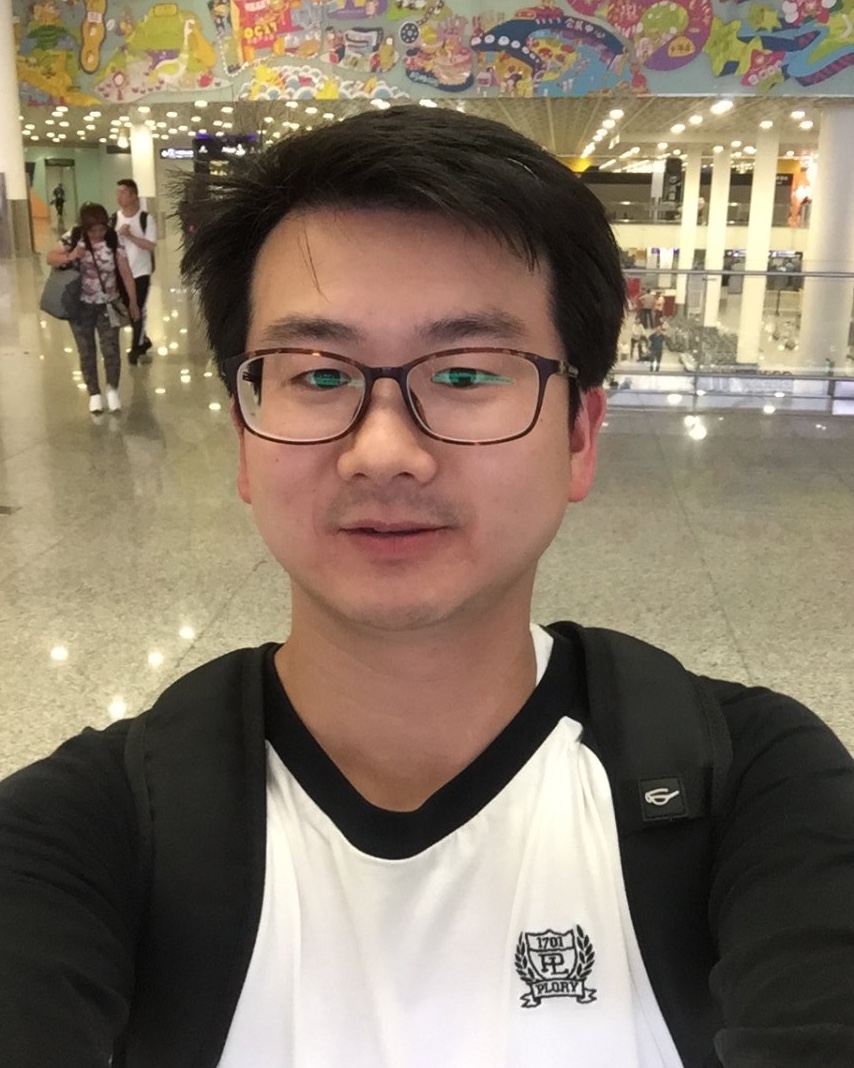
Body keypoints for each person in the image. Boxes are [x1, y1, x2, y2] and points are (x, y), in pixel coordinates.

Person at [3, 108, 854, 1067]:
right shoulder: (90, 830)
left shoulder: (751, 788)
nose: (383, 451)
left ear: (580, 434)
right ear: (244, 436)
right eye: (317, 375)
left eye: (466, 373)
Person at [46, 202, 139, 414]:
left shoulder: (113, 239)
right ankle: (94, 394)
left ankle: (112, 390)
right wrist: (71, 256)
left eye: (101, 229)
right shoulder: (73, 237)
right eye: (93, 231)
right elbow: (51, 257)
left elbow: (126, 273)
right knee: (86, 351)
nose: (98, 234)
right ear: (85, 228)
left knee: (111, 350)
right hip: (80, 306)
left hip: (108, 305)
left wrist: (133, 302)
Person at [113, 178, 156, 364]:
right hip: (122, 273)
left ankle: (135, 348)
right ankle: (143, 339)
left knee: (136, 306)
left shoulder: (146, 219)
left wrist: (130, 236)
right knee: (129, 308)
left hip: (141, 271)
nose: (119, 197)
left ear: (133, 196)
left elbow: (150, 246)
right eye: (118, 193)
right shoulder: (114, 219)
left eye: (123, 193)